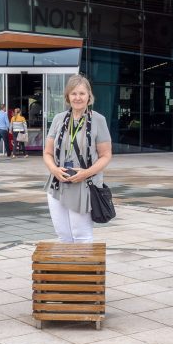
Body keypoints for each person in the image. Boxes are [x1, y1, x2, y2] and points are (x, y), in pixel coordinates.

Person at [43, 74, 112, 243]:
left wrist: (86, 173)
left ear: (89, 96)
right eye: (73, 93)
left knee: (82, 237)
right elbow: (47, 152)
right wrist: (53, 169)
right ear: (67, 96)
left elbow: (105, 155)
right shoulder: (59, 119)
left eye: (82, 93)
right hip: (57, 183)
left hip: (84, 185)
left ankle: (84, 269)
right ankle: (68, 269)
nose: (78, 97)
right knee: (63, 236)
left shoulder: (98, 120)